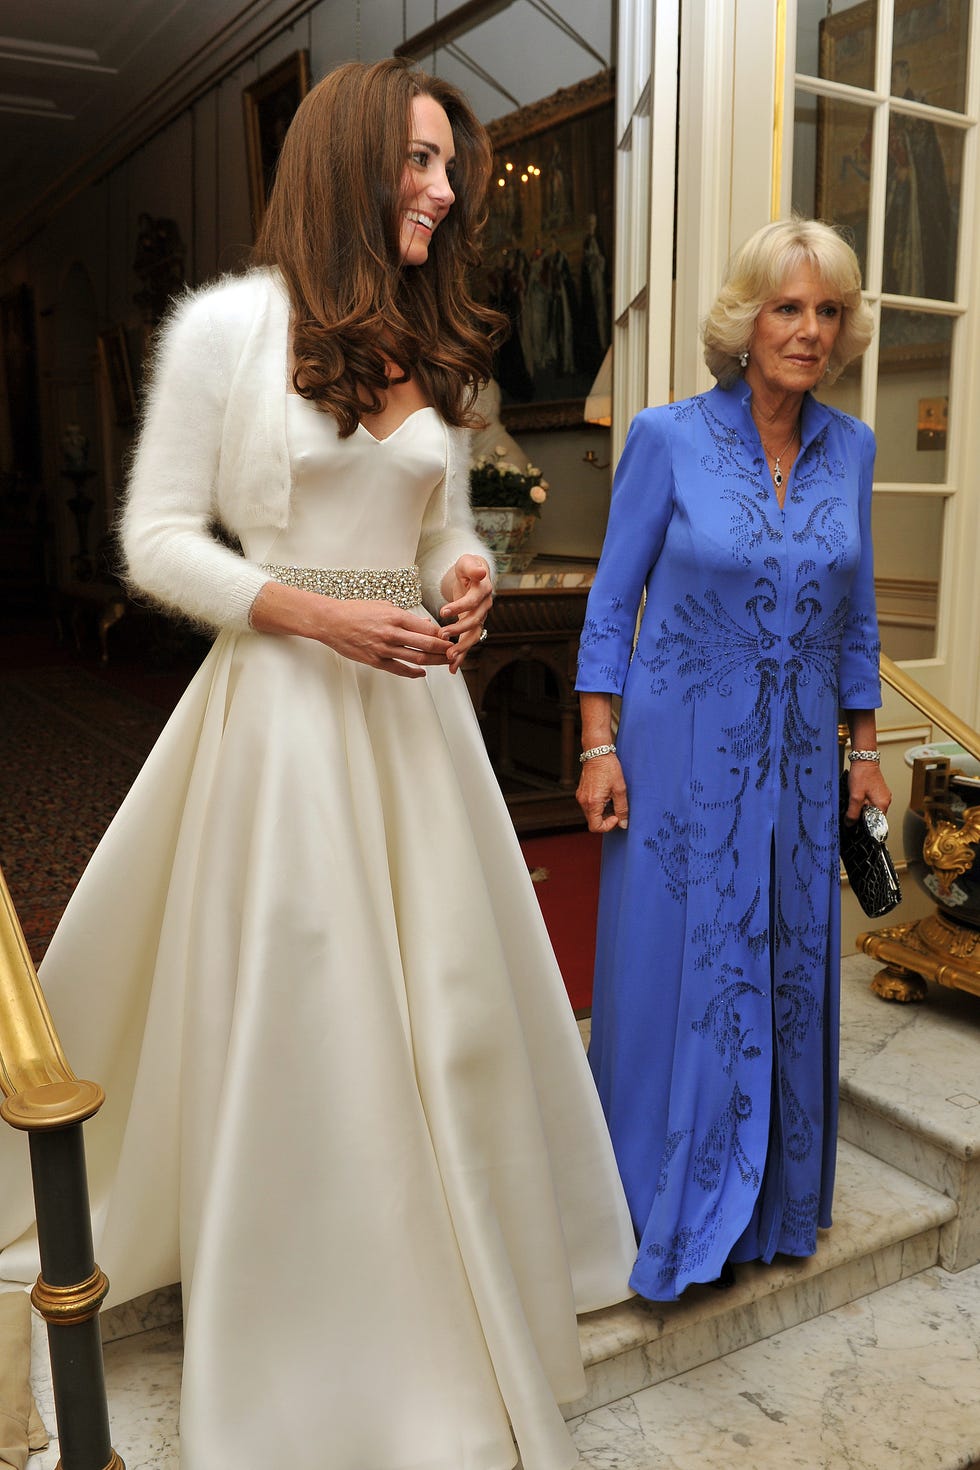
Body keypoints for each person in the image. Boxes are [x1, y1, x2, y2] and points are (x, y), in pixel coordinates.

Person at [0, 60, 635, 1469]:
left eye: (452, 165)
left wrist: (462, 584)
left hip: (412, 724)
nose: (447, 188)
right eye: (421, 161)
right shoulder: (233, 326)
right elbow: (156, 542)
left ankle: (458, 1286)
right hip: (286, 714)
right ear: (349, 163)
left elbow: (443, 532)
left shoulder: (431, 338)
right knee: (318, 1007)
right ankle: (320, 1335)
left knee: (449, 1011)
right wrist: (316, 610)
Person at [575, 216, 891, 1302]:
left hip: (803, 765)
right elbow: (611, 604)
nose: (807, 330)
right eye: (785, 307)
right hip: (678, 758)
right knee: (680, 972)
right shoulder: (664, 437)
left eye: (826, 311)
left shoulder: (850, 450)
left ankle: (768, 1207)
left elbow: (855, 619)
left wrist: (862, 752)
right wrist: (596, 743)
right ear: (745, 321)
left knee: (786, 967)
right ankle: (656, 1198)